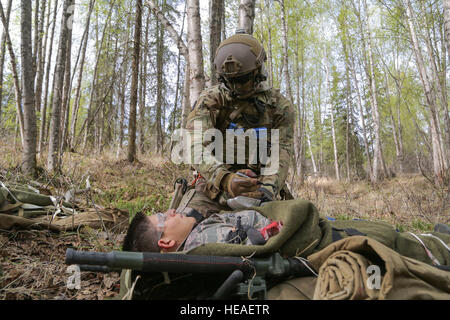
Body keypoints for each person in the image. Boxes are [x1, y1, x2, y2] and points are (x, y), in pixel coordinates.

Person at [180, 30, 295, 218]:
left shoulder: (279, 107)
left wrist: (266, 190)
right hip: (212, 190)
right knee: (181, 233)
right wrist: (224, 179)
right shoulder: (211, 100)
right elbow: (193, 145)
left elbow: (281, 154)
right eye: (230, 81)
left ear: (258, 71)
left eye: (242, 80)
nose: (237, 87)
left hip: (258, 190)